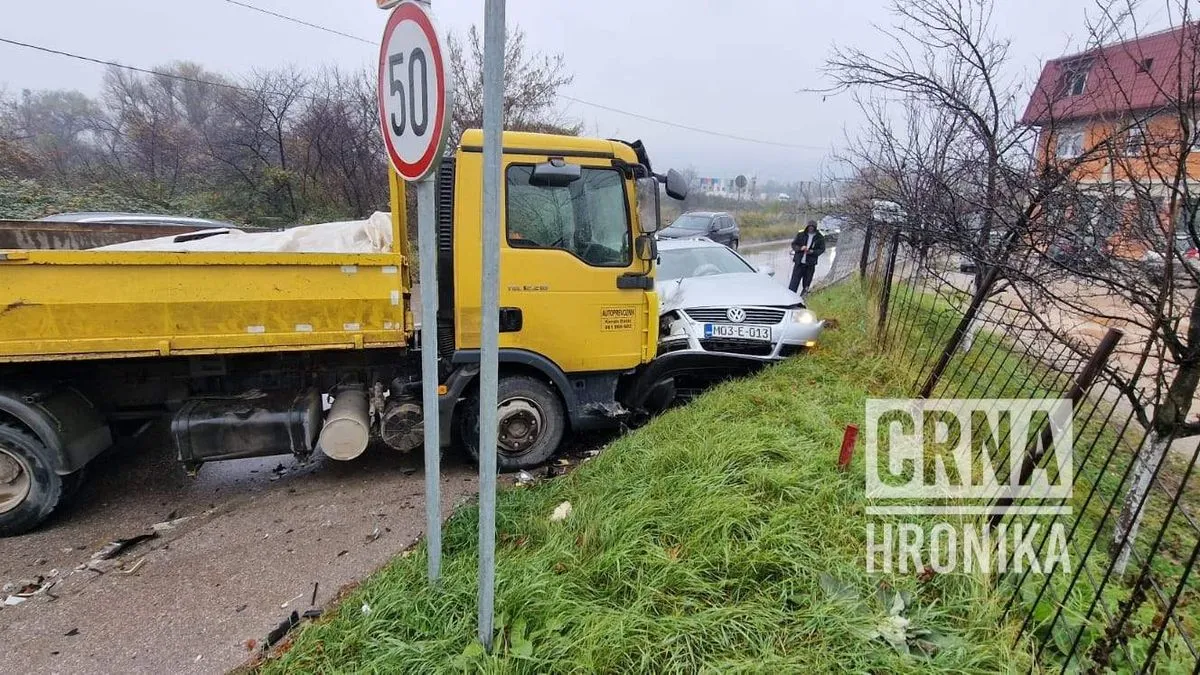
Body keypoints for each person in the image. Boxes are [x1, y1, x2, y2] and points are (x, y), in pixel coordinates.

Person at [789, 220, 826, 295]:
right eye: (809, 227)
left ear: (815, 228)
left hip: (810, 264)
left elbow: (822, 249)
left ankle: (803, 299)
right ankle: (790, 298)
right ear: (807, 227)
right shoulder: (801, 234)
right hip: (799, 263)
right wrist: (800, 248)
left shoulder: (820, 237)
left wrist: (813, 252)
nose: (811, 229)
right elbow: (794, 245)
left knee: (806, 284)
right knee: (793, 283)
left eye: (812, 227)